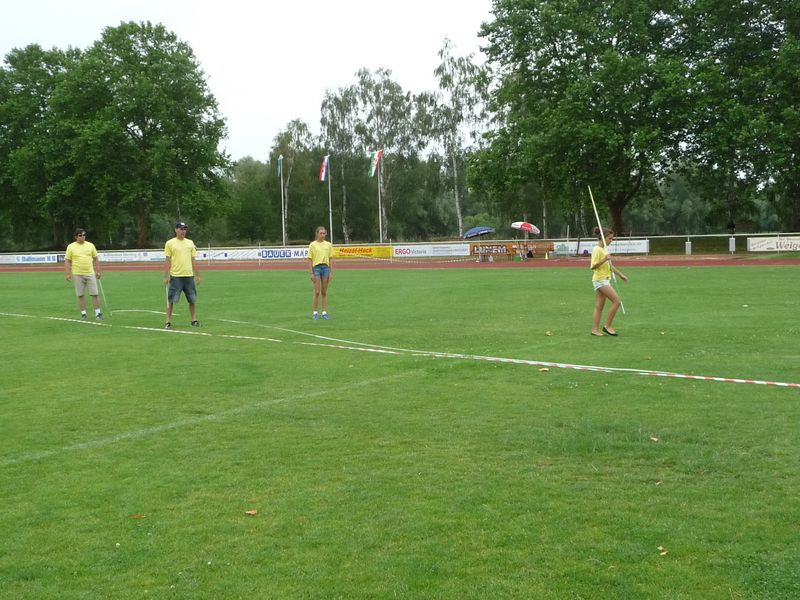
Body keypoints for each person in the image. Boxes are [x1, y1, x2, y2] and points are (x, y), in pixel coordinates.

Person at [590, 227, 628, 337]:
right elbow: (593, 266)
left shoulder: (604, 249)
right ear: (603, 238)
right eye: (610, 238)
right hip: (600, 280)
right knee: (617, 301)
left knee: (599, 306)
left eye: (612, 238)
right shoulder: (597, 249)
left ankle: (595, 330)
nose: (611, 240)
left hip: (604, 279)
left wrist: (620, 275)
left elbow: (609, 266)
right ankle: (607, 326)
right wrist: (604, 259)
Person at [164, 221, 200, 329]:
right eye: (181, 229)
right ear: (176, 230)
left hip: (189, 276)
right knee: (171, 300)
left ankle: (194, 320)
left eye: (184, 229)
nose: (183, 231)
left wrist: (198, 275)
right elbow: (168, 260)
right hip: (176, 276)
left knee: (192, 300)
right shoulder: (170, 243)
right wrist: (165, 276)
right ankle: (168, 322)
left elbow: (193, 260)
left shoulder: (190, 243)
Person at [65, 228, 103, 320]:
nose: (83, 237)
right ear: (76, 237)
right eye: (80, 235)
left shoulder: (90, 245)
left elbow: (95, 258)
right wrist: (68, 273)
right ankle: (83, 314)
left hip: (90, 273)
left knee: (95, 294)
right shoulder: (71, 247)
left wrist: (98, 271)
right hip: (77, 274)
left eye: (84, 235)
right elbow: (67, 260)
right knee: (80, 295)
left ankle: (98, 313)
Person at [308, 225, 333, 320]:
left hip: (325, 268)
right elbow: (310, 259)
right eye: (320, 233)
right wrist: (311, 273)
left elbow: (330, 259)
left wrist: (331, 272)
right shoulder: (312, 245)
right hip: (316, 268)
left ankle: (324, 312)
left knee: (324, 292)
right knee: (317, 292)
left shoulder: (328, 245)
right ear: (317, 234)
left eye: (324, 233)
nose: (322, 235)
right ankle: (315, 312)